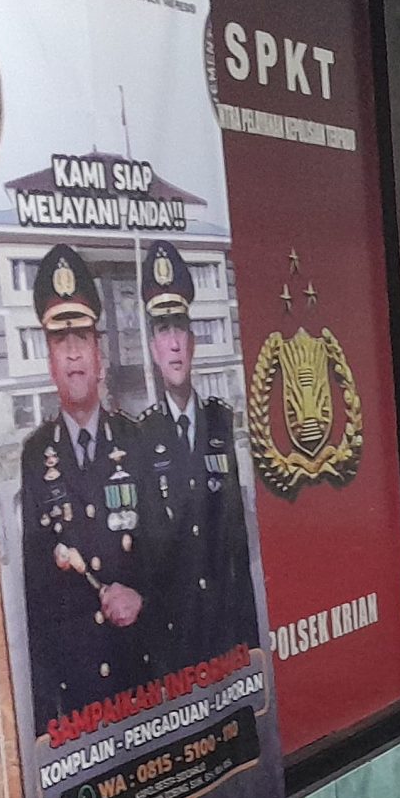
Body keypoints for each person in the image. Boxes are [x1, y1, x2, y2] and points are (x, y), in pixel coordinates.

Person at [19, 243, 156, 729]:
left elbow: (172, 556)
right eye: (60, 340)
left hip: (144, 679)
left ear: (100, 356)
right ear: (50, 361)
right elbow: (35, 598)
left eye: (82, 336)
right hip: (78, 700)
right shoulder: (35, 457)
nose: (73, 351)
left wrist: (143, 598)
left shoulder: (137, 442)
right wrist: (48, 722)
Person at [133, 239, 258, 671]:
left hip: (228, 629)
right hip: (176, 642)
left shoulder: (221, 423)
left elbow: (239, 542)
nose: (173, 344)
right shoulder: (141, 437)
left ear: (193, 341)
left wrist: (251, 641)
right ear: (153, 347)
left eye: (180, 330)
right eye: (162, 330)